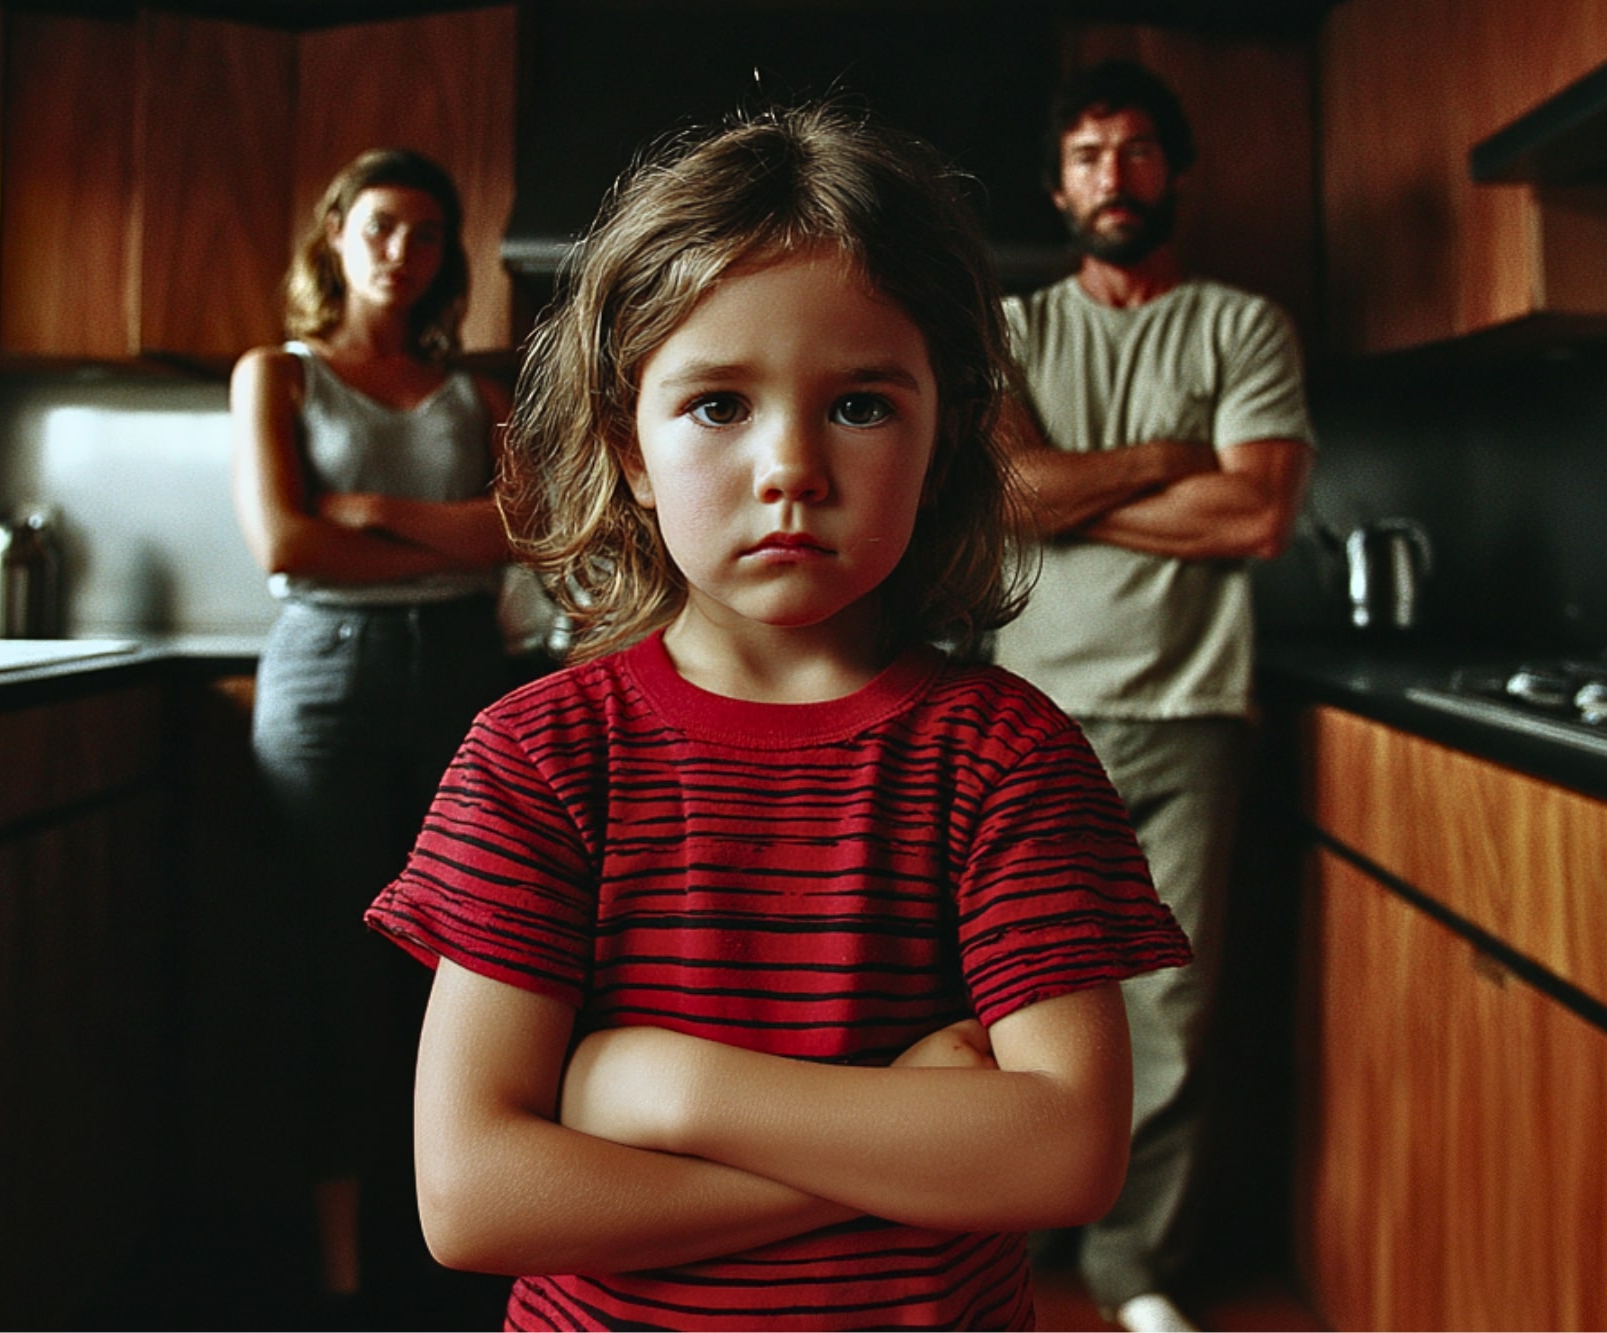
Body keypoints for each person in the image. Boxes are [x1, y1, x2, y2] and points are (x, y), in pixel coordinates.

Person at [362, 102, 1193, 1331]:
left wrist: (668, 1087)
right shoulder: (537, 756)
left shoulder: (1006, 757)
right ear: (627, 449)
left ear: (941, 442)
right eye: (717, 405)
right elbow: (474, 1199)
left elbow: (1064, 1154)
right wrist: (898, 1135)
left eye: (860, 405)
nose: (790, 466)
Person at [991, 59, 1317, 1333]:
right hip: (1026, 712)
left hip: (1189, 713)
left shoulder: (1241, 327)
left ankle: (1135, 1275)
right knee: (1009, 991)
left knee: (1167, 1006)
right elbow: (1006, 498)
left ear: (1172, 171)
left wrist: (1073, 488)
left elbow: (1254, 516)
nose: (1111, 176)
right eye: (1085, 155)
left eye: (1133, 151)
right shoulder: (1012, 330)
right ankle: (1001, 1243)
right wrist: (1169, 459)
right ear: (1055, 185)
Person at [229, 147, 512, 1315]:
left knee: (469, 960)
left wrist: (374, 511)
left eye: (427, 232)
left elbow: (513, 534)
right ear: (337, 236)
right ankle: (346, 1279)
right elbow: (287, 544)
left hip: (462, 675)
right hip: (325, 681)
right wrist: (439, 545)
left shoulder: (475, 394)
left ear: (448, 256)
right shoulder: (278, 375)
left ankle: (463, 1239)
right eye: (381, 226)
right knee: (332, 967)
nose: (402, 250)